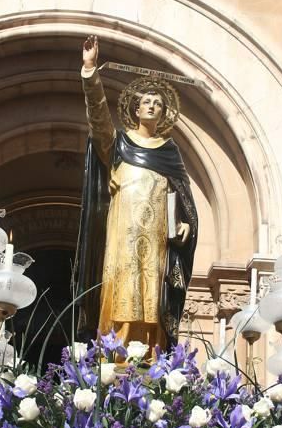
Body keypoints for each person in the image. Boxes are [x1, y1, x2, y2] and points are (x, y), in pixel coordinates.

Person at [74, 35, 198, 349]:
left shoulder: (170, 152)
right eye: (147, 101)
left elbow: (180, 196)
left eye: (158, 103)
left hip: (157, 234)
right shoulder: (119, 144)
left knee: (153, 289)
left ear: (164, 112)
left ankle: (151, 352)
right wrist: (90, 72)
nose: (152, 105)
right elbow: (99, 118)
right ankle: (115, 348)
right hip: (124, 230)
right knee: (124, 283)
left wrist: (184, 224)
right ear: (136, 108)